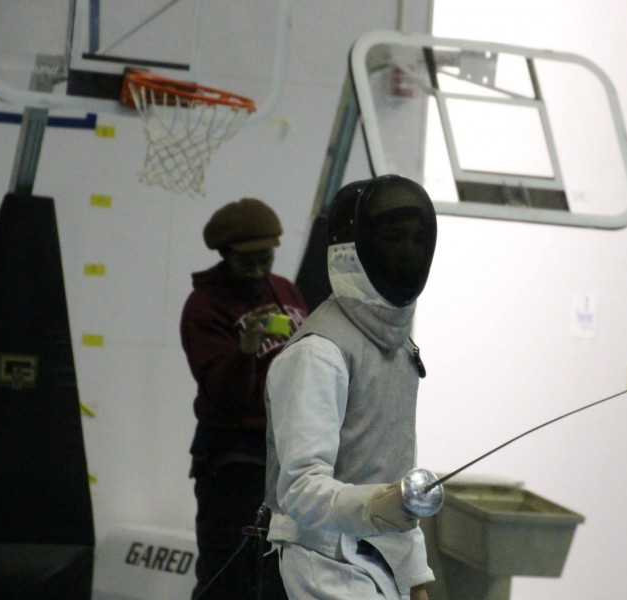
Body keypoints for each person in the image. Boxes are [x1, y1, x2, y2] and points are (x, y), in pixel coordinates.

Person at [264, 175, 437, 600]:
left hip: (375, 561)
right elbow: (299, 490)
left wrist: (415, 577)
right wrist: (378, 505)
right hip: (321, 561)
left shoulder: (397, 349)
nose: (408, 251)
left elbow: (390, 478)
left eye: (418, 239)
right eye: (394, 237)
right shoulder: (320, 353)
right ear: (354, 249)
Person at [180, 198, 308, 599]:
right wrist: (246, 349)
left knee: (282, 574)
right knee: (229, 574)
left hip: (286, 454)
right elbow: (225, 396)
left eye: (264, 260)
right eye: (245, 263)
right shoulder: (202, 307)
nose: (256, 271)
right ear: (224, 256)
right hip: (233, 461)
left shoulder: (284, 289)